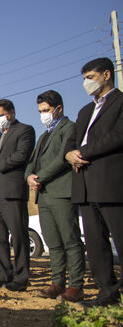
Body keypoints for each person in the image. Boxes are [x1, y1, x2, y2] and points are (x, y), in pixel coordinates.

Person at [64, 57, 123, 307]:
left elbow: (118, 136)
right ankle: (106, 293)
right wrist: (70, 154)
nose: (86, 82)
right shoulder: (85, 111)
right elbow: (72, 141)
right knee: (96, 244)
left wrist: (83, 153)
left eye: (90, 77)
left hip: (110, 183)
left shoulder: (120, 103)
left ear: (106, 75)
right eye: (85, 78)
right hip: (85, 186)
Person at [25, 90, 84, 302]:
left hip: (61, 192)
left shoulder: (70, 128)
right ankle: (57, 283)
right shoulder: (44, 135)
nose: (43, 115)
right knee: (53, 242)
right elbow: (32, 162)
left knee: (71, 240)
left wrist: (39, 177)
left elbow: (62, 158)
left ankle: (76, 285)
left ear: (59, 108)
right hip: (44, 196)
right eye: (40, 111)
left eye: (46, 110)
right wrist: (29, 176)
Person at [0, 99, 35, 291]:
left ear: (11, 113)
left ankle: (21, 277)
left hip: (12, 192)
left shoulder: (25, 130)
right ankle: (4, 274)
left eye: (1, 115)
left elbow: (22, 155)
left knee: (19, 236)